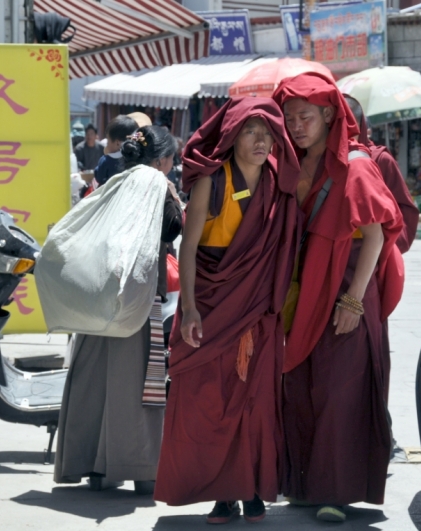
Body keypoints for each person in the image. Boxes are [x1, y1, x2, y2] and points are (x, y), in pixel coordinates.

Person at [155, 98, 300, 524]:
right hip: (215, 302)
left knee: (257, 404)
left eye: (268, 132)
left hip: (257, 309)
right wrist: (192, 308)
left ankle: (253, 488)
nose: (261, 141)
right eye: (251, 131)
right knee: (212, 403)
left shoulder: (279, 183)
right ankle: (223, 495)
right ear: (233, 135)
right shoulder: (213, 180)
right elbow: (191, 247)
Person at [272, 73, 405, 523]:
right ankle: (303, 485)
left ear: (329, 114)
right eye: (288, 118)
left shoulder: (356, 165)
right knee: (299, 388)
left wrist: (353, 301)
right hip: (301, 293)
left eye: (305, 117)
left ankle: (336, 491)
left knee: (337, 393)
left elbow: (376, 235)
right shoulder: (290, 164)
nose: (295, 127)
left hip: (346, 289)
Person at [54, 126, 183, 494]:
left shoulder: (110, 181)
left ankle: (95, 468)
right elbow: (172, 229)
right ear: (159, 161)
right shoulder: (155, 185)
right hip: (138, 302)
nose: (174, 165)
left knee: (95, 383)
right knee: (138, 387)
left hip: (98, 300)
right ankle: (141, 469)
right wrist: (172, 193)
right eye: (171, 158)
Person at [344, 95, 420, 254]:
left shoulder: (380, 160)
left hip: (371, 255)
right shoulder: (318, 159)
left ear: (360, 127)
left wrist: (386, 249)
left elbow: (405, 211)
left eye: (349, 126)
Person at [92, 115, 138, 188]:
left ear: (117, 143)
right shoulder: (138, 159)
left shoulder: (105, 160)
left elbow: (99, 178)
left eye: (108, 140)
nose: (107, 143)